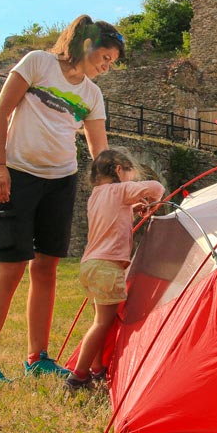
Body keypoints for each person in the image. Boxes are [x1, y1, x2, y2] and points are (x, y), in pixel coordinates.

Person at [0, 15, 125, 382]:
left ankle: (37, 358)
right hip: (18, 176)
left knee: (46, 269)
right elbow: (0, 112)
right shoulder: (38, 63)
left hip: (61, 181)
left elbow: (99, 153)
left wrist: (117, 192)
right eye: (105, 58)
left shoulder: (92, 95)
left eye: (112, 63)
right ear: (87, 46)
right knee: (11, 268)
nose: (106, 67)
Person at [64, 147, 165, 392]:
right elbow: (156, 188)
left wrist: (133, 208)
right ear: (119, 170)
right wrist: (152, 200)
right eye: (131, 173)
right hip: (108, 267)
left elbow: (112, 214)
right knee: (102, 323)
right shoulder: (120, 190)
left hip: (90, 265)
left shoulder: (97, 195)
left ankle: (98, 369)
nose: (133, 179)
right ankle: (78, 376)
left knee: (99, 321)